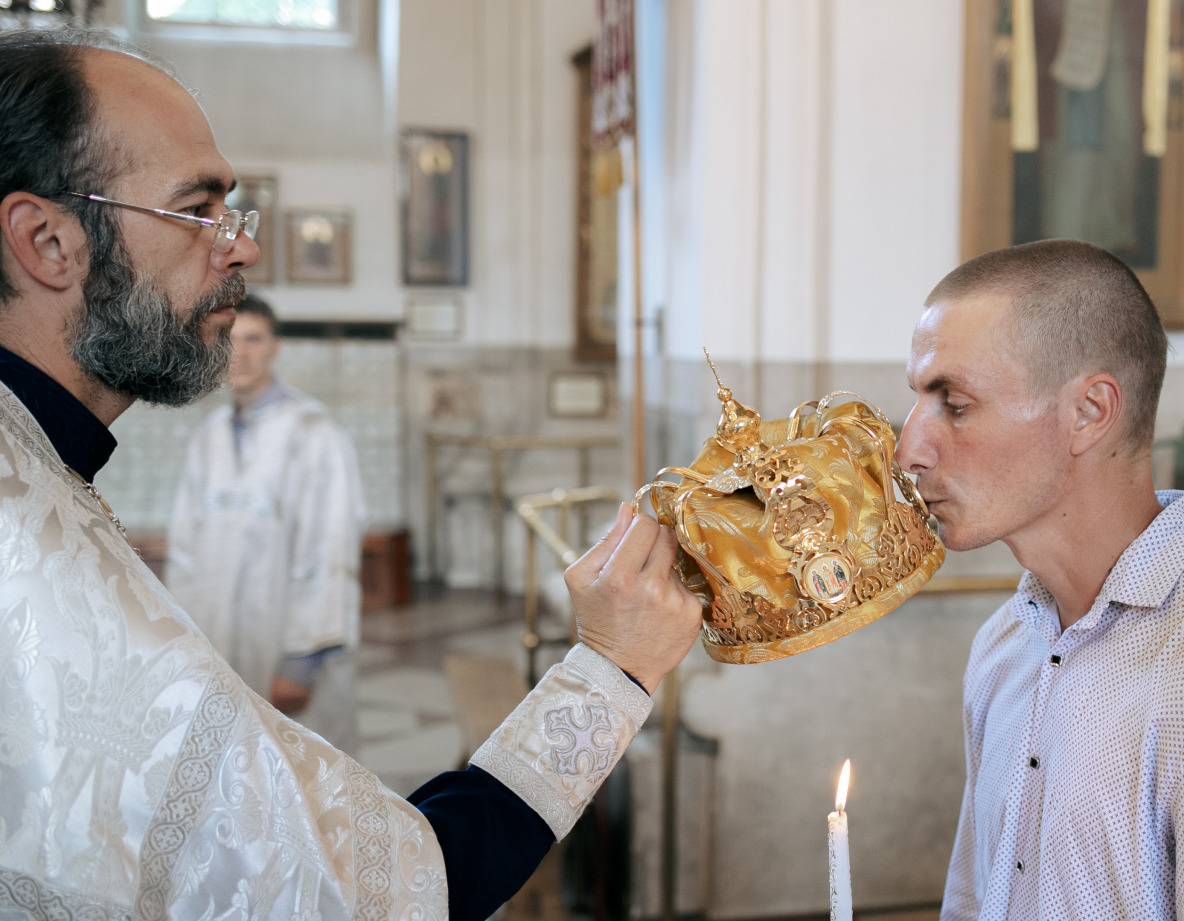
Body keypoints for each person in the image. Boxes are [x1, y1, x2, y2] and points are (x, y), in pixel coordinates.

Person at [0, 27, 703, 921]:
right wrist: (612, 669)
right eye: (196, 209)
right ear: (49, 241)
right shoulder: (29, 545)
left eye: (235, 211)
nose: (241, 249)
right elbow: (391, 891)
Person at [895, 239, 1184, 919]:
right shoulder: (1004, 641)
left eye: (952, 403)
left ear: (1089, 412)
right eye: (919, 399)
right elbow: (972, 899)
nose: (908, 450)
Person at [167, 293, 365, 754]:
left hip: (286, 647)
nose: (241, 353)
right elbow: (184, 548)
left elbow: (330, 546)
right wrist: (184, 645)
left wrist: (301, 660)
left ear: (275, 346)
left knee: (301, 776)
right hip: (217, 643)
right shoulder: (209, 435)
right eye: (229, 339)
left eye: (253, 339)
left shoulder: (315, 432)